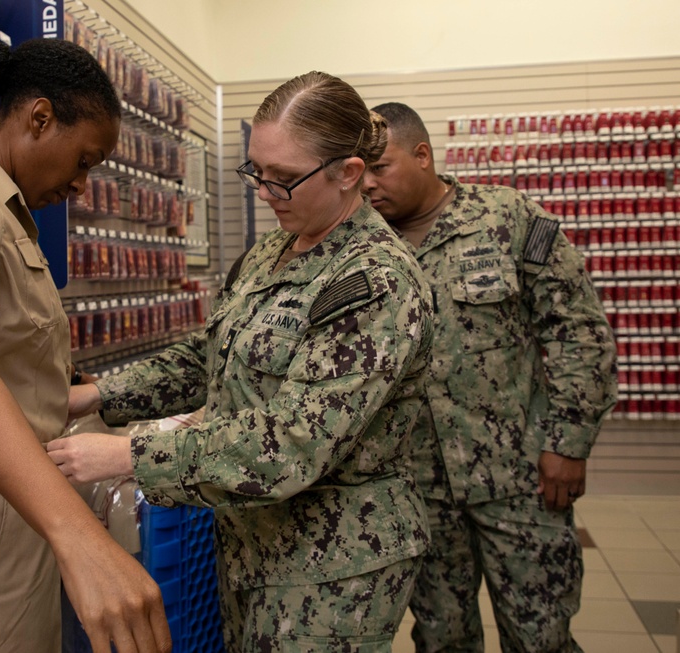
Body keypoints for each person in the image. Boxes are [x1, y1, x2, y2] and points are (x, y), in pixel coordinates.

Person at [47, 71, 434, 652]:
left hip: (332, 571)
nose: (263, 191)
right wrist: (100, 395)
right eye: (257, 171)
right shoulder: (273, 252)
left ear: (348, 174)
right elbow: (208, 359)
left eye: (283, 179)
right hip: (252, 545)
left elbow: (291, 443)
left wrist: (126, 452)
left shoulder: (375, 281)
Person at [0, 39, 171, 653]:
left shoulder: (0, 210)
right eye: (83, 160)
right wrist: (81, 538)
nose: (81, 184)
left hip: (13, 498)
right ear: (39, 119)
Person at [363, 102, 618, 653]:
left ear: (422, 155)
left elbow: (578, 330)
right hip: (416, 488)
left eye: (379, 167)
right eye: (357, 172)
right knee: (441, 638)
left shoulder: (509, 217)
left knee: (539, 636)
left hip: (520, 478)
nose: (367, 185)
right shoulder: (362, 250)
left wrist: (569, 442)